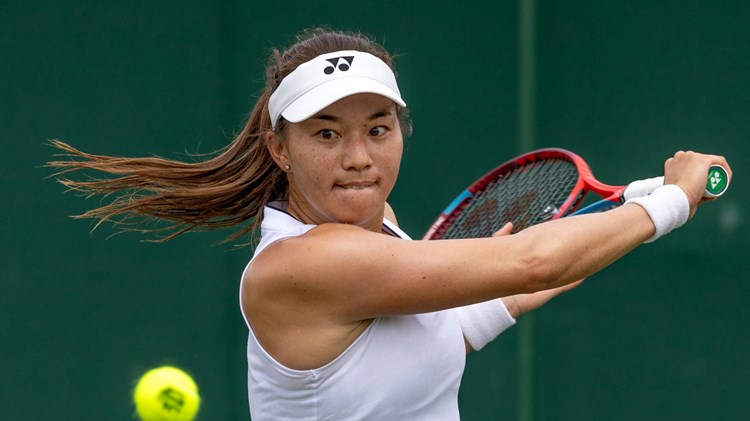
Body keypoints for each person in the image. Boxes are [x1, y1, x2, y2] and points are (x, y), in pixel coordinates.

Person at [49, 28, 731, 420]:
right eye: (326, 133)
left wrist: (622, 218)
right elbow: (532, 261)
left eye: (378, 128)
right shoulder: (305, 264)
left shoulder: (380, 231)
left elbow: (471, 315)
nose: (358, 158)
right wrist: (667, 204)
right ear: (280, 148)